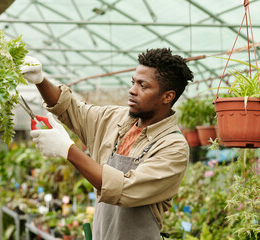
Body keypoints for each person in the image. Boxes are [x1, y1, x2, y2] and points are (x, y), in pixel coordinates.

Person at [20, 48, 194, 240]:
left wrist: (67, 149)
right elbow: (71, 109)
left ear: (167, 96)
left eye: (143, 86)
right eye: (133, 82)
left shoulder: (173, 146)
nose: (132, 90)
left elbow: (125, 189)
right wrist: (40, 80)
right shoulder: (115, 119)